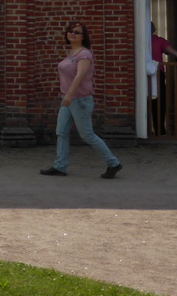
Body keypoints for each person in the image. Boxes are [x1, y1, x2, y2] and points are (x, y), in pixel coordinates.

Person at [40, 21, 123, 179]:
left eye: (77, 32)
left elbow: (80, 76)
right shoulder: (71, 52)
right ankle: (60, 166)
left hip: (79, 100)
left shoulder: (84, 54)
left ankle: (113, 163)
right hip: (68, 99)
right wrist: (67, 96)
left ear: (83, 37)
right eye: (70, 31)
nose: (72, 34)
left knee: (87, 135)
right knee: (61, 132)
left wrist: (70, 95)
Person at [149, 22, 177, 135]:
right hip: (157, 74)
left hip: (148, 74)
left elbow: (168, 49)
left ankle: (147, 129)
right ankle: (159, 129)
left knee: (150, 102)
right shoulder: (158, 40)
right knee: (159, 102)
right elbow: (170, 49)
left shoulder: (144, 40)